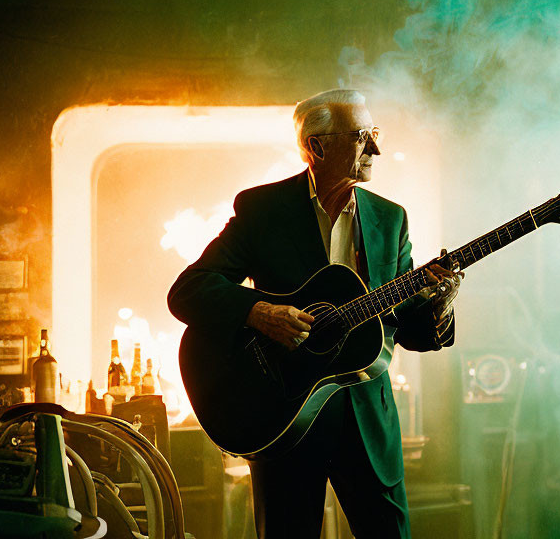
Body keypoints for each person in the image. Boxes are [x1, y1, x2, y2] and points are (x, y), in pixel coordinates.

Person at [167, 89, 461, 538]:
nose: (376, 149)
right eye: (364, 137)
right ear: (318, 147)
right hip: (282, 415)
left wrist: (439, 303)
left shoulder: (390, 218)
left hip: (368, 422)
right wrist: (259, 312)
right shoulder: (262, 210)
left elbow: (406, 328)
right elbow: (187, 291)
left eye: (376, 135)